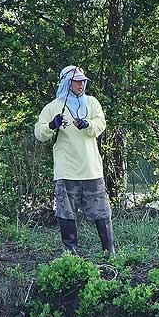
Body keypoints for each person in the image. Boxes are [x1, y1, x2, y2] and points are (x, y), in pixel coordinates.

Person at [34, 65, 116, 255]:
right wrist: (52, 125)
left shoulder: (92, 102)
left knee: (102, 212)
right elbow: (39, 132)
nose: (82, 84)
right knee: (66, 212)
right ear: (66, 83)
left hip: (91, 169)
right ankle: (71, 255)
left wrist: (87, 124)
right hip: (66, 170)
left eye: (83, 81)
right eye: (77, 81)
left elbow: (100, 124)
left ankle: (110, 253)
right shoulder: (53, 106)